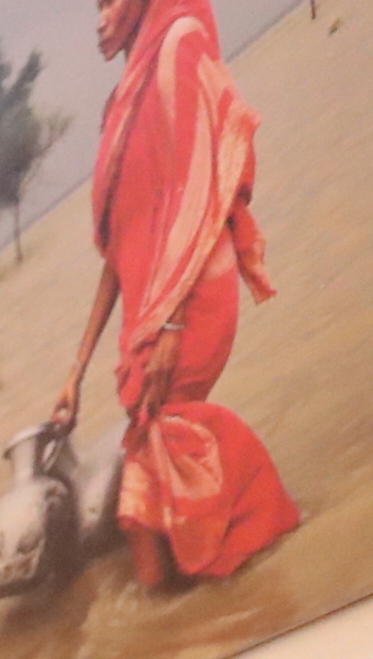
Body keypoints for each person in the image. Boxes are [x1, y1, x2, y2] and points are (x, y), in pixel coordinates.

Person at [48, 0, 299, 586]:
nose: (99, 19)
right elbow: (120, 254)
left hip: (191, 298)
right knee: (153, 467)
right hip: (148, 312)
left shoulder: (180, 46)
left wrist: (173, 326)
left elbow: (199, 194)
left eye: (108, 2)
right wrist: (76, 372)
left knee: (158, 441)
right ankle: (215, 586)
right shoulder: (118, 107)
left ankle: (253, 525)